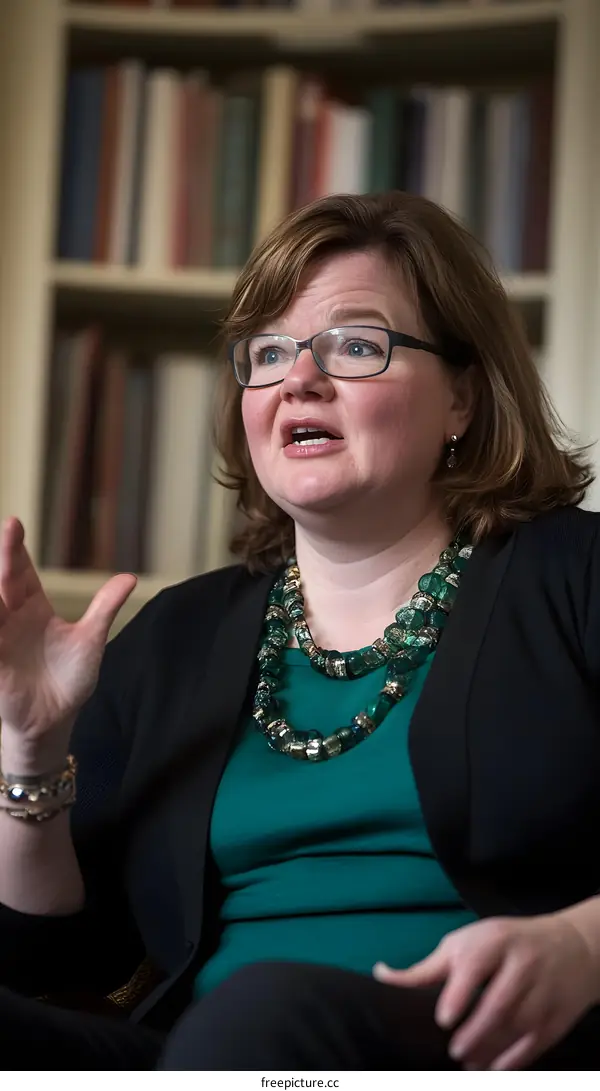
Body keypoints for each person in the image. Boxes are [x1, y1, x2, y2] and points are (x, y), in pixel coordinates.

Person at [1, 190, 600, 1072]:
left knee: (263, 1014)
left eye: (356, 345)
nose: (298, 380)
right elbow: (54, 961)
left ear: (463, 398)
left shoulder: (576, 578)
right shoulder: (176, 635)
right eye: (269, 352)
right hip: (203, 1054)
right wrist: (32, 751)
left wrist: (584, 948)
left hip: (493, 1050)